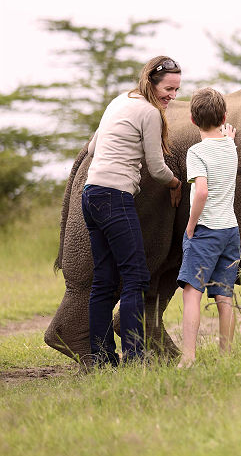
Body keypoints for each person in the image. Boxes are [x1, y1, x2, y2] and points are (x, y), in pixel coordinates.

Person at [82, 56, 183, 366]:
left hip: (92, 194)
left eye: (177, 90)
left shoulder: (120, 101)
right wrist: (176, 182)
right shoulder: (149, 112)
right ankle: (135, 356)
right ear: (151, 82)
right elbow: (156, 167)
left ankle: (100, 358)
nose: (173, 96)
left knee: (104, 280)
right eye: (168, 88)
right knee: (137, 277)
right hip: (115, 197)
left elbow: (90, 149)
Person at [176, 87, 240, 368]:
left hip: (206, 231)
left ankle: (188, 357)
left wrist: (191, 225)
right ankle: (225, 357)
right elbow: (226, 141)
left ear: (192, 120)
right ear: (225, 116)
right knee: (224, 296)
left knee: (191, 293)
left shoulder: (196, 152)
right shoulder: (230, 145)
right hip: (230, 230)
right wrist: (228, 137)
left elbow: (201, 192)